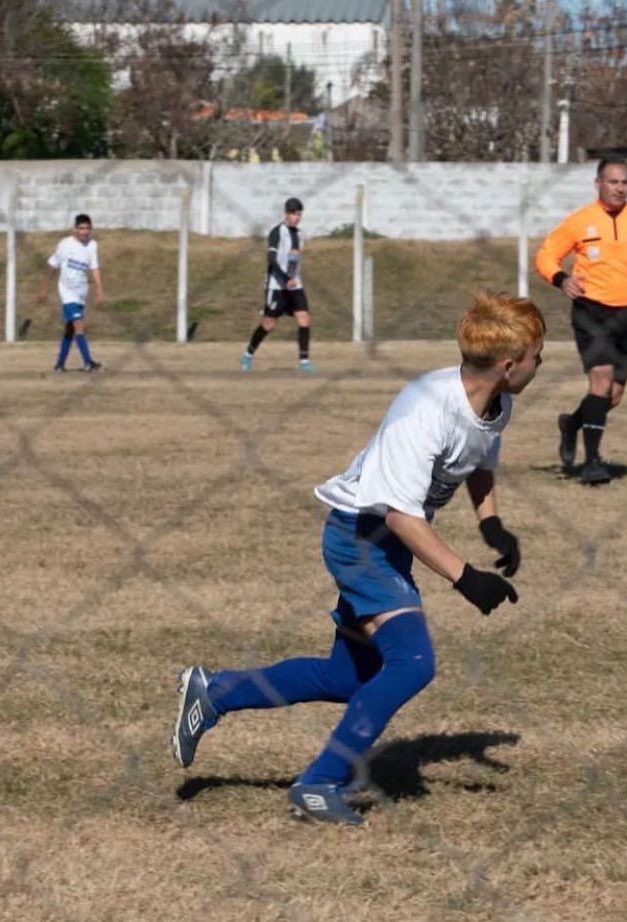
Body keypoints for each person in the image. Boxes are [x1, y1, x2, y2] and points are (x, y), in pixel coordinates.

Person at [175, 291, 545, 826]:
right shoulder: (425, 412)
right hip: (361, 539)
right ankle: (321, 783)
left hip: (390, 541)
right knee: (412, 663)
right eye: (538, 356)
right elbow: (400, 516)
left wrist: (491, 524)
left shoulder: (496, 400)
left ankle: (214, 692)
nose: (541, 365)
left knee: (346, 678)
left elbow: (479, 457)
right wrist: (467, 579)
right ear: (510, 365)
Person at [535, 157, 627, 485]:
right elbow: (546, 254)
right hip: (591, 309)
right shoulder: (579, 221)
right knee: (600, 378)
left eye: (624, 182)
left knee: (613, 395)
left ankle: (571, 424)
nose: (620, 188)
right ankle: (592, 462)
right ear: (598, 184)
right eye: (613, 182)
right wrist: (560, 278)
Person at [240, 197, 315, 374]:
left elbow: (294, 257)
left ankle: (304, 361)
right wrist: (285, 277)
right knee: (269, 324)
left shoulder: (300, 234)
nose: (296, 217)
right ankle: (248, 355)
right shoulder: (276, 233)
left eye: (298, 214)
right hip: (276, 285)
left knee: (304, 318)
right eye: (293, 213)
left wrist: (293, 276)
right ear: (286, 214)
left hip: (294, 285)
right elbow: (271, 260)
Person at [38, 213, 104, 373]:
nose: (84, 232)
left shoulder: (92, 245)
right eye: (81, 228)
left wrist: (99, 289)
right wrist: (44, 288)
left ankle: (59, 365)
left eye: (87, 228)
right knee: (79, 327)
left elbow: (94, 268)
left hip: (82, 292)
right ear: (75, 229)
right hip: (68, 293)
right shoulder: (65, 245)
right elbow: (52, 266)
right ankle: (88, 362)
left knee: (70, 329)